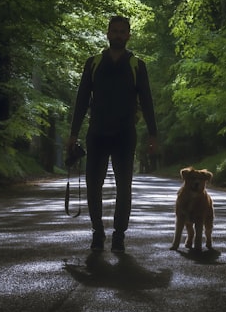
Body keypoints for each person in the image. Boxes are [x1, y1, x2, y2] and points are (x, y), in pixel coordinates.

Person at [67, 15, 158, 252]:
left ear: (128, 36)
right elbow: (82, 99)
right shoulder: (94, 63)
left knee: (124, 186)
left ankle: (119, 235)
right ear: (107, 34)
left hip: (125, 135)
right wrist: (73, 133)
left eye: (122, 31)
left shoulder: (136, 65)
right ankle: (98, 232)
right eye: (114, 31)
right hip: (96, 133)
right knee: (92, 185)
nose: (118, 35)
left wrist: (153, 134)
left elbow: (147, 101)